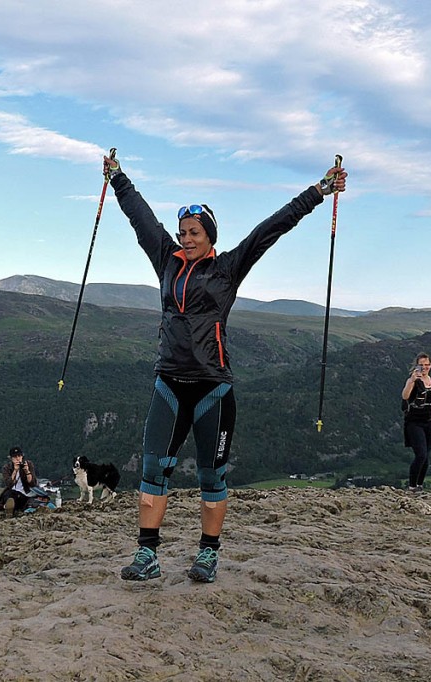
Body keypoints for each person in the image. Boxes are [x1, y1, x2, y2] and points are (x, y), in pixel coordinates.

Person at [104, 152, 347, 583]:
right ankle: (147, 555)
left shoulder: (228, 267)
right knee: (152, 468)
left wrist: (318, 192)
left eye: (194, 233)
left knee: (210, 474)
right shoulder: (166, 258)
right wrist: (118, 179)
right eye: (182, 233)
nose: (186, 239)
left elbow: (271, 228)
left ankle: (208, 554)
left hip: (213, 387)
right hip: (168, 382)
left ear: (209, 235)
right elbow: (139, 217)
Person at [401, 353, 431, 491]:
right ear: (417, 365)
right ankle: (412, 486)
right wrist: (413, 380)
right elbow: (405, 396)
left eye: (427, 365)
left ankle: (419, 485)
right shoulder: (412, 380)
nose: (424, 367)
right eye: (421, 365)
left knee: (426, 455)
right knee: (421, 454)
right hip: (415, 422)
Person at [0, 446, 39, 515]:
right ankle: (7, 507)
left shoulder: (29, 464)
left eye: (19, 456)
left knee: (29, 501)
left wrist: (27, 471)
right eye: (15, 457)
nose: (17, 458)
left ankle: (4, 507)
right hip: (12, 493)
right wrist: (15, 471)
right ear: (11, 458)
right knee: (11, 495)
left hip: (26, 493)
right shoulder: (7, 468)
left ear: (22, 456)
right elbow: (9, 484)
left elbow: (33, 483)